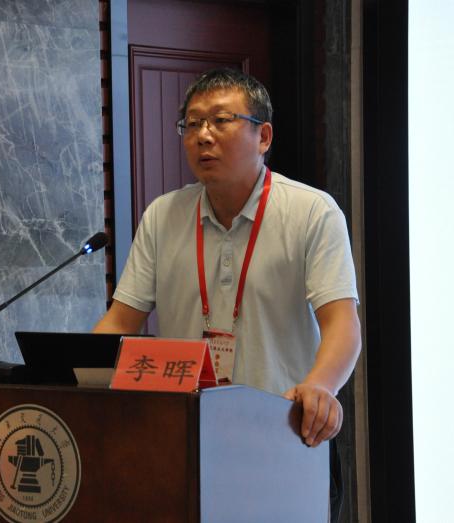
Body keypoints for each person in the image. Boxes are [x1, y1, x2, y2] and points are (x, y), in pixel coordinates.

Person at [94, 68, 361, 449]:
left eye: (221, 121)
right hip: (183, 436)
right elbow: (121, 321)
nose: (203, 136)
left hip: (284, 432)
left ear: (263, 137)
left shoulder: (313, 212)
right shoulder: (163, 215)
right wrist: (73, 377)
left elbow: (342, 324)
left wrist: (320, 385)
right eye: (192, 124)